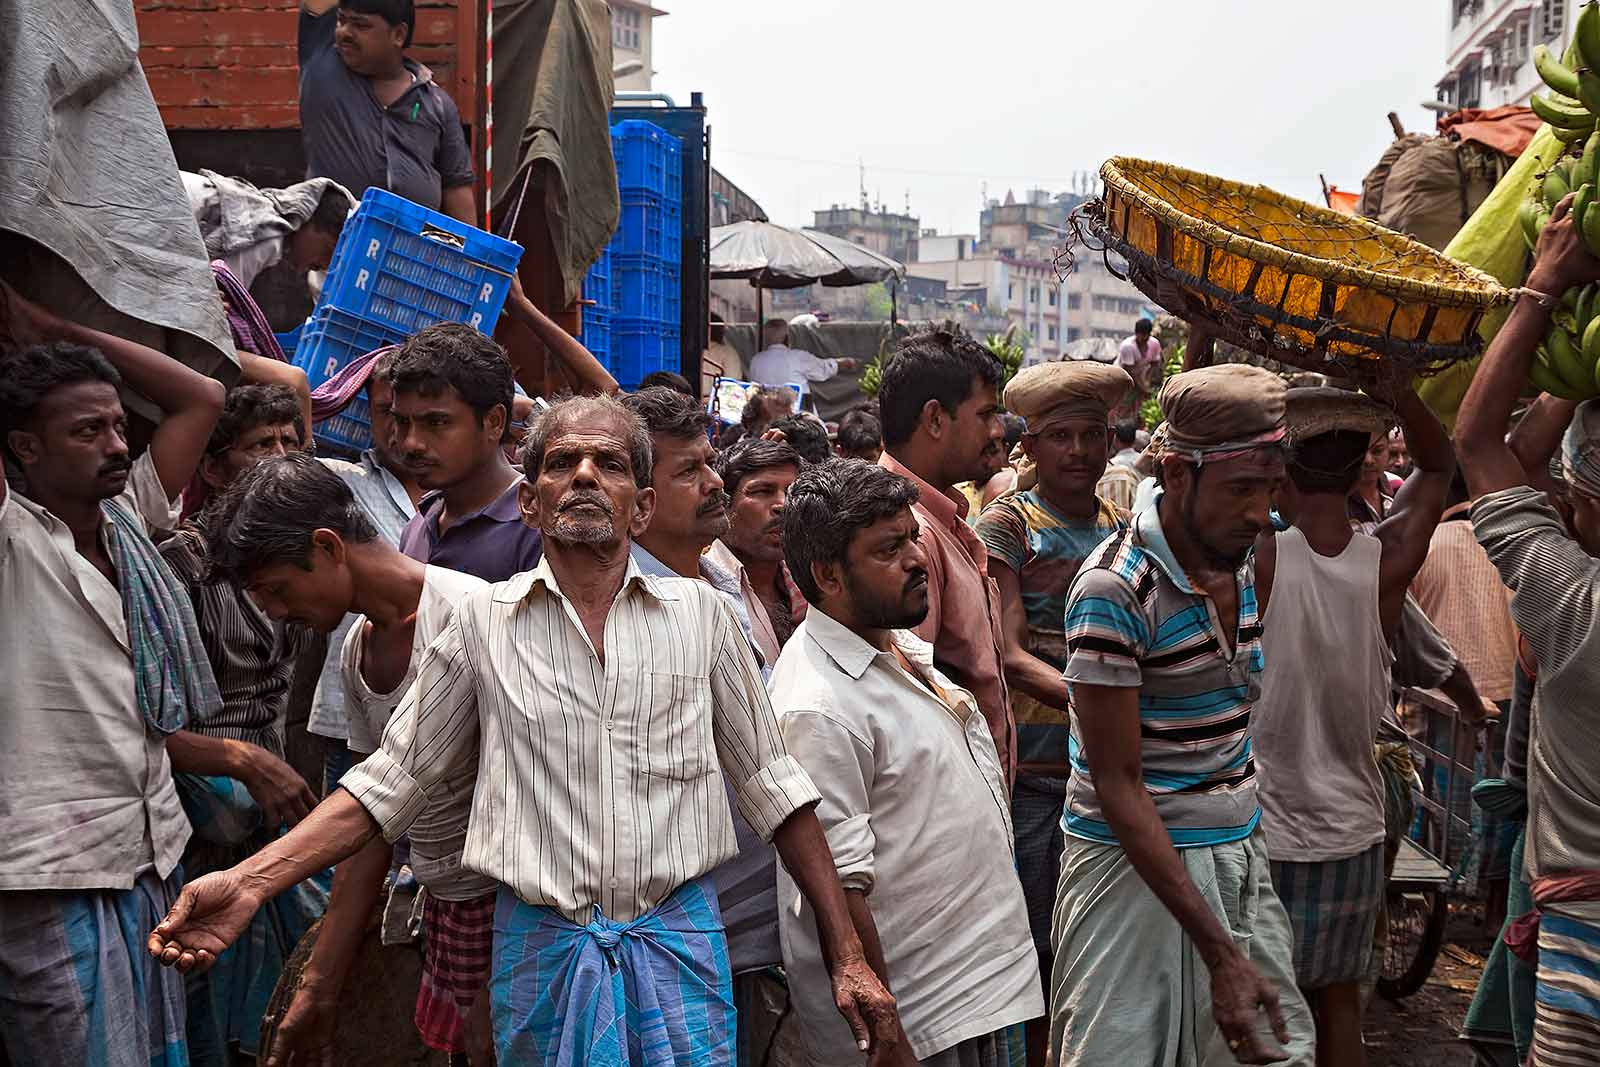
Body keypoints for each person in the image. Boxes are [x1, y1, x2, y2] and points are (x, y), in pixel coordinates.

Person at [148, 394, 903, 1065]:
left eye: (607, 463)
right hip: (541, 952)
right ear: (531, 505)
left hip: (679, 952)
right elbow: (391, 781)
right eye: (561, 462)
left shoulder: (701, 618)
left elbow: (776, 788)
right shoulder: (482, 623)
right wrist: (247, 881)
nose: (582, 474)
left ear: (639, 508)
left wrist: (848, 953)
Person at [1054, 363, 1314, 1066]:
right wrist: (1219, 953)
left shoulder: (1249, 548)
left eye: (1267, 488)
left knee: (1275, 1051)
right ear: (1176, 472)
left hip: (1236, 850)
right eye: (1238, 490)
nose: (1258, 509)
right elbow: (1118, 784)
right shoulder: (1113, 588)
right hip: (1132, 870)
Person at [198, 453, 492, 1064]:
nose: (277, 613)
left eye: (278, 590)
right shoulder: (359, 648)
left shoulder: (477, 616)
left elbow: (383, 795)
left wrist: (252, 881)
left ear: (329, 547)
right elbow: (370, 828)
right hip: (447, 916)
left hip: (512, 920)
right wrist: (320, 985)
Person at [0, 288, 226, 1066]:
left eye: (118, 425)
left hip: (149, 850)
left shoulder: (129, 518)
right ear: (26, 450)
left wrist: (53, 327)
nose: (113, 442)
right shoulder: (14, 537)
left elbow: (202, 395)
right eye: (86, 429)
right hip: (48, 866)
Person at [772, 458, 1045, 1064]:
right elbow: (840, 889)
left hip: (978, 992)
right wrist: (889, 1039)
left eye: (913, 537)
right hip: (923, 1023)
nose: (918, 558)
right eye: (888, 549)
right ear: (828, 575)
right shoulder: (815, 704)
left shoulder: (895, 651)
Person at [1250, 384, 1458, 1067]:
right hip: (1354, 828)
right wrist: (1396, 387)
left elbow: (1210, 457)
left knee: (1262, 1005)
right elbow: (1437, 462)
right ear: (1357, 468)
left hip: (1268, 827)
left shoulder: (1264, 556)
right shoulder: (1385, 560)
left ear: (1283, 469)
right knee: (1341, 998)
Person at [1455, 195, 1600, 1064]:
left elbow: (1479, 439)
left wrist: (1543, 286)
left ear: (1581, 504)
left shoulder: (1572, 603)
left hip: (1583, 938)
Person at [157, 385, 329, 1065]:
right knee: (207, 955)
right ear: (215, 468)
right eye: (262, 444)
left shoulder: (297, 556)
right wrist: (239, 762)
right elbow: (157, 715)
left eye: (291, 441)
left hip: (279, 783)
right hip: (205, 793)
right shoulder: (184, 564)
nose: (281, 456)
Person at [972, 359, 1131, 1067]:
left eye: (1092, 436)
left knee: (1094, 943)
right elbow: (1006, 650)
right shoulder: (1009, 521)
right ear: (1029, 447)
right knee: (1038, 945)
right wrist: (1098, 694)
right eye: (1060, 437)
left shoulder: (1121, 525)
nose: (1079, 452)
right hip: (1039, 770)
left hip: (1107, 769)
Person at [877, 326, 1013, 776]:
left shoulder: (942, 520)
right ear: (935, 419)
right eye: (986, 414)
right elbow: (912, 700)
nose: (998, 432)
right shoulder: (908, 532)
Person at [307, 350, 423, 794]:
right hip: (357, 720)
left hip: (442, 716)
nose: (400, 431)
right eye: (385, 413)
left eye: (417, 417)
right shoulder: (341, 483)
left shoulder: (464, 496)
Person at [298, 0, 476, 222]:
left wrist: (472, 255)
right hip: (334, 247)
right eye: (341, 21)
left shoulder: (437, 104)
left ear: (398, 35)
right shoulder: (322, 64)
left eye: (361, 26)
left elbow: (457, 189)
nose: (344, 32)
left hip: (410, 251)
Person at [388, 322, 542, 579]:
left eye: (436, 423)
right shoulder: (418, 527)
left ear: (494, 422)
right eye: (402, 422)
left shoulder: (535, 528)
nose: (411, 443)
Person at [709, 438, 806, 665]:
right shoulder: (705, 589)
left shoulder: (809, 582)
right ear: (724, 504)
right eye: (763, 491)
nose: (782, 504)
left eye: (792, 492)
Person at [182, 170, 354, 289]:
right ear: (307, 221)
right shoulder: (268, 233)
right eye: (328, 250)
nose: (325, 264)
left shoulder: (258, 213)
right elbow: (225, 292)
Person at [749, 318, 857, 388]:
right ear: (787, 337)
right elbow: (823, 368)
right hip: (796, 418)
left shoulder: (756, 361)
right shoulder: (798, 357)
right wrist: (846, 362)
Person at [1116, 318, 1163, 422]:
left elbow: (1155, 365)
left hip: (1141, 376)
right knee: (1125, 405)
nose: (1145, 338)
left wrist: (1149, 382)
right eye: (1142, 334)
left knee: (1144, 406)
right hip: (1124, 377)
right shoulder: (1127, 346)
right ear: (1136, 334)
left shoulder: (1154, 344)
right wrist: (1144, 388)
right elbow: (1130, 373)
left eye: (1147, 334)